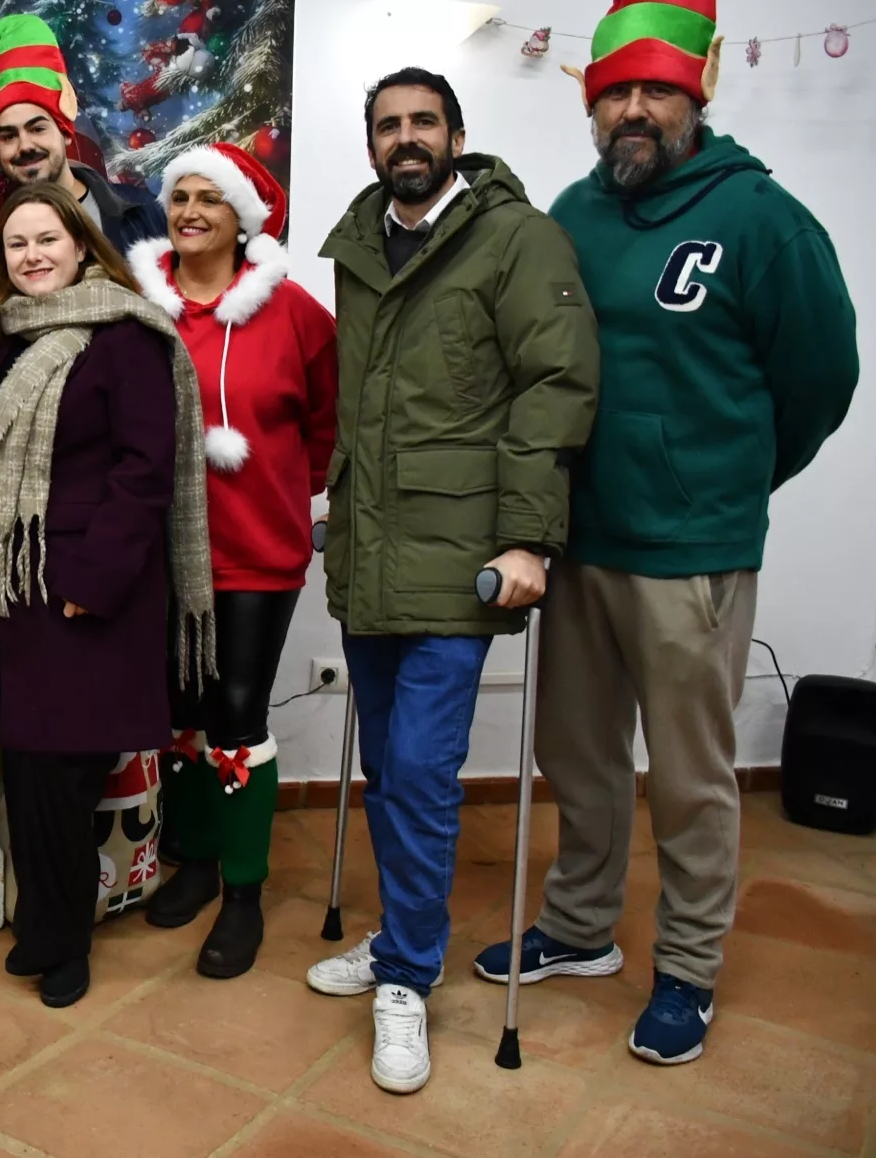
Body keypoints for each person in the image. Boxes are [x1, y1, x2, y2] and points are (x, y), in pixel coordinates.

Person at [473, 0, 859, 1068]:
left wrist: (725, 482)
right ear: (589, 101)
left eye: (655, 89)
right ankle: (580, 925)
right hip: (578, 541)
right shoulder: (572, 213)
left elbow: (818, 381)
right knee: (578, 758)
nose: (632, 110)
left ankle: (686, 966)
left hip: (690, 553)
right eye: (613, 92)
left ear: (697, 88)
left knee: (688, 776)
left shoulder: (761, 219)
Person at [303, 67, 600, 1095]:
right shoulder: (357, 243)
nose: (406, 137)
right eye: (388, 124)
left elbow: (556, 383)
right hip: (370, 550)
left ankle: (407, 977)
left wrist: (527, 539)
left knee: (423, 774)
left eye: (423, 120)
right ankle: (401, 938)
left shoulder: (517, 238)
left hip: (462, 555)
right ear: (371, 145)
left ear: (456, 136)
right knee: (388, 773)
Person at [0, 182, 214, 1009]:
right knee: (31, 765)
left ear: (83, 244)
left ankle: (63, 941)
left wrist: (95, 581)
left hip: (82, 592)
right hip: (17, 589)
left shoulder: (126, 337)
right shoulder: (15, 338)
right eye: (16, 243)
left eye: (46, 238)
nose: (32, 255)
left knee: (63, 774)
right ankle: (50, 924)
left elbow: (144, 471)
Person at [124, 144, 337, 977]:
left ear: (241, 216)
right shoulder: (139, 307)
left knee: (238, 715)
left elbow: (329, 423)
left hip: (257, 551)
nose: (191, 210)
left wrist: (284, 489)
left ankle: (244, 891)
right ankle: (198, 861)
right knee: (180, 708)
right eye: (179, 196)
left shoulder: (294, 313)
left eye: (210, 197)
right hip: (162, 553)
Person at [0, 13, 164, 254]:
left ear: (65, 133)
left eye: (37, 129)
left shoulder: (143, 214)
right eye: (9, 136)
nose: (25, 146)